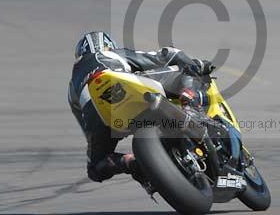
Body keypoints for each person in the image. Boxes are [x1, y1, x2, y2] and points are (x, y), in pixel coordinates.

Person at [67, 31, 214, 184]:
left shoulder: (71, 89)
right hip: (127, 88)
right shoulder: (110, 54)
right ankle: (191, 107)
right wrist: (193, 64)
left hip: (100, 115)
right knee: (187, 70)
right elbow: (166, 55)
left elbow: (87, 128)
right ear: (108, 46)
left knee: (96, 168)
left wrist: (99, 140)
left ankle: (131, 163)